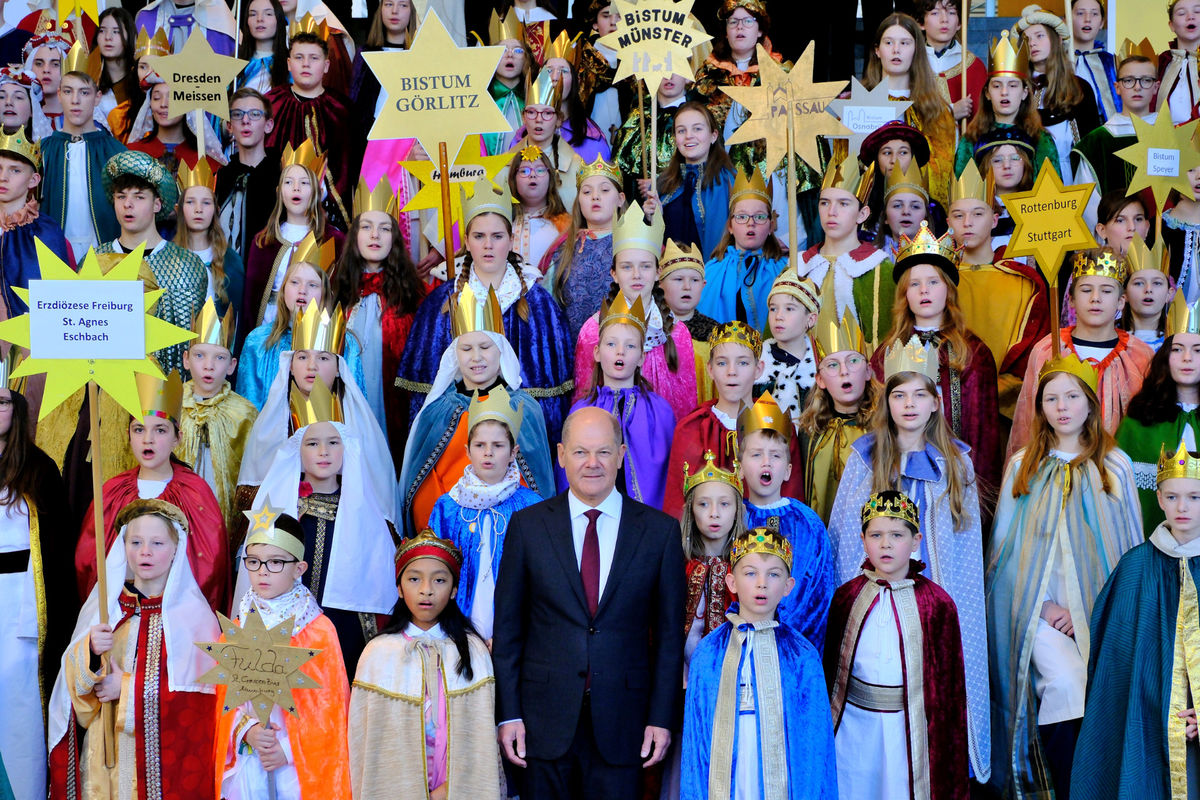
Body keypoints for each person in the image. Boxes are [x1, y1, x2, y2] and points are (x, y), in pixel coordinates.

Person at [493, 406, 686, 798]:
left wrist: (661, 718)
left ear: (621, 455)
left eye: (603, 451)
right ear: (562, 456)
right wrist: (508, 713)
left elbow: (669, 639)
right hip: (541, 723)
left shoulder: (659, 533)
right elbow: (508, 631)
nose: (592, 463)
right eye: (581, 452)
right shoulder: (527, 527)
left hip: (625, 724)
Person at [828, 335, 991, 783]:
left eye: (920, 394)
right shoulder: (865, 459)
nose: (909, 404)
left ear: (937, 402)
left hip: (930, 612)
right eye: (899, 394)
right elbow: (844, 540)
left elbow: (963, 557)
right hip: (876, 608)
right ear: (887, 401)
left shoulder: (956, 466)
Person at [987, 355, 1142, 797]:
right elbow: (1005, 556)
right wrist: (1047, 607)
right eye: (1051, 398)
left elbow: (1129, 550)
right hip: (1037, 611)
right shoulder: (1023, 466)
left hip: (1098, 612)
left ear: (1090, 404)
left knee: (1097, 689)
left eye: (1072, 396)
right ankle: (1061, 788)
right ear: (1040, 408)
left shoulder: (1116, 468)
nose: (1062, 406)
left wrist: (1091, 613)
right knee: (1067, 682)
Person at [47, 499, 220, 800]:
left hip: (165, 765)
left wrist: (125, 689)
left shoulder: (193, 618)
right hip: (106, 755)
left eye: (157, 543)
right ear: (123, 546)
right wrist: (89, 651)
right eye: (136, 542)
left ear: (176, 549)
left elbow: (197, 704)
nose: (145, 552)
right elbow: (71, 696)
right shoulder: (107, 610)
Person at [397, 176, 574, 444]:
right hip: (457, 443)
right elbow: (424, 403)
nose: (488, 245)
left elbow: (552, 407)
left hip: (519, 442)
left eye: (497, 236)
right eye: (479, 236)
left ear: (511, 239)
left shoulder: (540, 306)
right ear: (467, 241)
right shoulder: (440, 306)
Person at [239, 380, 397, 677]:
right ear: (298, 450)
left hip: (346, 625)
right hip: (286, 625)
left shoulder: (365, 511)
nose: (323, 451)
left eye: (333, 442)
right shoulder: (282, 508)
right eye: (312, 443)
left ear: (346, 448)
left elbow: (376, 579)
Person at [1070, 439, 1200, 795]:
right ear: (1158, 499)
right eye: (1172, 497)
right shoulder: (1135, 567)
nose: (1182, 507)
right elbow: (1115, 661)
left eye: (1194, 497)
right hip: (1145, 713)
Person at [825, 490, 969, 799]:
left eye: (897, 535)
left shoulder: (937, 604)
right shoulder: (846, 597)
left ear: (916, 541)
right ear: (863, 539)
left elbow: (950, 693)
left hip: (906, 732)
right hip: (854, 727)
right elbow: (830, 674)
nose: (886, 543)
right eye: (876, 534)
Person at [679, 526, 838, 800]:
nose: (761, 583)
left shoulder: (802, 655)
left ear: (788, 586)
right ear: (731, 583)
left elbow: (814, 744)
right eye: (750, 573)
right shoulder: (708, 652)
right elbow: (696, 740)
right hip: (727, 774)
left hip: (784, 777)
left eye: (773, 574)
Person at [349, 530, 502, 799]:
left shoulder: (474, 651)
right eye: (414, 579)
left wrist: (449, 789)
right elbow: (367, 744)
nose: (426, 590)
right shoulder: (377, 653)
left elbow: (479, 740)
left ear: (454, 589)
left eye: (439, 580)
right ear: (399, 587)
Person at [216, 508, 351, 800]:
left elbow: (330, 711)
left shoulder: (318, 631)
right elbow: (222, 703)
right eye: (253, 562)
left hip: (296, 770)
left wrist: (286, 750)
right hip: (250, 763)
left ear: (299, 568)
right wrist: (246, 729)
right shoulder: (237, 627)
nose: (263, 571)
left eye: (275, 562)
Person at [398, 285, 554, 536]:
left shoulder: (525, 410)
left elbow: (536, 485)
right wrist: (444, 526)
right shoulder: (437, 411)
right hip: (448, 530)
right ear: (455, 354)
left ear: (500, 350)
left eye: (485, 347)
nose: (476, 357)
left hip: (509, 531)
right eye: (466, 348)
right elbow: (424, 487)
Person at [75, 369, 230, 611]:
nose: (148, 439)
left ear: (177, 437)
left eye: (160, 430)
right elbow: (89, 561)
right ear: (128, 435)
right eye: (139, 429)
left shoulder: (196, 492)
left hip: (175, 617)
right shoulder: (112, 491)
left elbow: (211, 565)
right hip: (120, 612)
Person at [871, 220, 1002, 501]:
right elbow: (877, 423)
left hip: (955, 478)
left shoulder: (973, 353)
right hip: (900, 475)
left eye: (933, 282)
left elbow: (985, 437)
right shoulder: (887, 353)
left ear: (948, 290)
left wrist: (976, 496)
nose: (924, 291)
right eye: (914, 284)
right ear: (905, 294)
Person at [0, 355, 74, 800]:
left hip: (21, 613)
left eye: (1, 402)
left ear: (17, 408)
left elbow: (56, 555)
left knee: (19, 710)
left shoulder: (39, 470)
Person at [1009, 247, 1155, 455]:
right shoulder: (1048, 349)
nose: (1095, 298)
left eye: (1106, 291)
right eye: (1086, 290)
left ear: (1121, 302)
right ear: (1072, 300)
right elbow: (1027, 420)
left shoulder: (1141, 356)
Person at [428, 386, 542, 643]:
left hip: (515, 631)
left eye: (498, 445)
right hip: (457, 630)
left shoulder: (531, 506)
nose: (488, 452)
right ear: (468, 451)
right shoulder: (448, 507)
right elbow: (434, 568)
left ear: (513, 452)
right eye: (480, 445)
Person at [662, 322, 803, 518]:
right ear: (710, 369)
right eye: (722, 363)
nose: (732, 371)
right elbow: (677, 504)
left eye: (743, 363)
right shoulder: (691, 428)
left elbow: (791, 498)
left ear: (758, 369)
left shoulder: (777, 425)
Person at [572, 201, 697, 420]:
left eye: (645, 266)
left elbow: (686, 403)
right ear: (613, 274)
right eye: (627, 266)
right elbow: (584, 398)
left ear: (658, 272)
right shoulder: (593, 331)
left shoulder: (678, 333)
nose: (636, 275)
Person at [332, 174, 425, 463]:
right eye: (367, 227)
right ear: (355, 235)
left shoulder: (412, 295)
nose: (375, 235)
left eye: (384, 228)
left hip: (394, 410)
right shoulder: (336, 291)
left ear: (394, 239)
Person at [949, 159, 1050, 419]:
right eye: (959, 215)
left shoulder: (1022, 282)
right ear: (949, 220)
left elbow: (1032, 355)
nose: (967, 222)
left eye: (978, 214)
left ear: (995, 220)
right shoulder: (939, 281)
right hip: (951, 401)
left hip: (1005, 404)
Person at [98, 150, 208, 375]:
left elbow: (197, 342)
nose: (128, 204)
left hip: (168, 395)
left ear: (157, 204)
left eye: (139, 197)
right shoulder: (95, 262)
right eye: (121, 196)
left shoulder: (187, 267)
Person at [740, 392, 834, 649]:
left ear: (788, 470)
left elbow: (820, 593)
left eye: (776, 456)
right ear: (740, 466)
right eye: (756, 454)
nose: (766, 462)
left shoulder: (809, 524)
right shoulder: (731, 516)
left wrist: (792, 640)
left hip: (793, 647)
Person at [565, 293, 676, 506]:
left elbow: (670, 475)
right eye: (611, 344)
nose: (620, 352)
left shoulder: (660, 411)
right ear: (597, 352)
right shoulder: (582, 411)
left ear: (641, 357)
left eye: (630, 346)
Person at [238, 141, 344, 351]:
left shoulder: (334, 240)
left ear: (316, 191)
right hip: (271, 328)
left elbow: (340, 294)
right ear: (279, 191)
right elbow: (251, 299)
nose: (296, 187)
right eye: (289, 182)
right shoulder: (264, 241)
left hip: (314, 332)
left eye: (304, 183)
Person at [796, 154, 895, 352]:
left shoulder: (878, 268)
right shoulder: (798, 265)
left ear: (862, 214)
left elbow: (885, 343)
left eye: (843, 203)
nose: (831, 211)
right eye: (825, 202)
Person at [177, 299, 258, 536]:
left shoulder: (244, 413)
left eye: (219, 358)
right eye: (199, 355)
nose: (209, 366)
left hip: (220, 521)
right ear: (185, 359)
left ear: (232, 365)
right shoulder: (171, 405)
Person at [863, 13, 958, 208]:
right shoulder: (858, 102)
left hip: (919, 214)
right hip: (868, 212)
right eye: (888, 43)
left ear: (916, 50)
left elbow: (941, 172)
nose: (896, 50)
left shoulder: (937, 111)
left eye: (905, 43)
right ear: (877, 50)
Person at [800, 301, 879, 524]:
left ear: (868, 371)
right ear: (820, 380)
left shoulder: (883, 429)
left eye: (853, 361)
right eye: (832, 365)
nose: (844, 371)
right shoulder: (810, 432)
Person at [1117, 322, 1200, 532]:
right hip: (1151, 545)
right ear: (1164, 358)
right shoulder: (1139, 421)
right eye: (1177, 349)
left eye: (1197, 350)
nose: (1187, 358)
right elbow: (1116, 494)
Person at [265, 16, 353, 206]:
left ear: (326, 65)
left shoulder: (342, 110)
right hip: (275, 207)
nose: (306, 64)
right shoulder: (270, 103)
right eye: (299, 57)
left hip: (327, 211)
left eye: (314, 58)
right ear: (289, 64)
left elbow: (349, 168)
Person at [39, 66, 125, 258]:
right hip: (54, 255)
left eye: (84, 92)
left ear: (97, 97)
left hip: (105, 255)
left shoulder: (117, 153)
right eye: (68, 91)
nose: (75, 100)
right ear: (59, 94)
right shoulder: (41, 151)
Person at [955, 30, 1058, 179]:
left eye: (1013, 85)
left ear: (1024, 93)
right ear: (987, 93)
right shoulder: (971, 139)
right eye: (997, 86)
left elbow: (1050, 195)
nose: (1004, 92)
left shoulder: (1040, 139)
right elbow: (963, 193)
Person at [1015, 4, 1102, 180]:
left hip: (1071, 177)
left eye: (1039, 36)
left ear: (1057, 40)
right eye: (1027, 39)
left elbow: (1092, 146)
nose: (1032, 43)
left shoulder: (1079, 89)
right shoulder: (1017, 88)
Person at [696, 167, 787, 331]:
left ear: (771, 225)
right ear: (730, 225)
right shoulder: (710, 272)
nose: (750, 223)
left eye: (759, 217)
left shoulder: (785, 271)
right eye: (741, 216)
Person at [543, 155, 624, 338]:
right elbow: (549, 306)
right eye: (586, 192)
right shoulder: (563, 249)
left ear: (620, 199)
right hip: (573, 349)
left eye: (604, 190)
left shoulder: (633, 246)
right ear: (579, 200)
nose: (595, 196)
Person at [0, 124, 70, 321]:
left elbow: (60, 298)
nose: (3, 177)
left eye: (15, 171)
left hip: (29, 341)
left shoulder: (45, 231)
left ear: (33, 180)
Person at [650, 101, 736, 260]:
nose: (689, 135)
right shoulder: (664, 183)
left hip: (710, 276)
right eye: (681, 130)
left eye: (697, 128)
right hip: (670, 276)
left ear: (713, 135)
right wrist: (651, 218)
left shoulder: (729, 181)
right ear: (675, 138)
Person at [216, 88, 281, 263]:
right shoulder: (220, 177)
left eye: (254, 114)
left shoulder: (281, 177)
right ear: (229, 126)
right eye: (237, 115)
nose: (245, 121)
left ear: (269, 125)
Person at [175, 157, 245, 317]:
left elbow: (237, 316)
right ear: (179, 209)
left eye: (206, 203)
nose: (198, 209)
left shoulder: (231, 261)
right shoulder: (168, 258)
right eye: (191, 202)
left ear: (216, 210)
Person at [753, 269, 820, 431]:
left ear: (810, 319)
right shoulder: (754, 366)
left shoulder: (822, 370)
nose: (778, 316)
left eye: (789, 309)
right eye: (773, 309)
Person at [659, 238, 719, 404]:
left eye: (694, 280)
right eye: (678, 279)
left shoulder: (715, 332)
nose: (687, 286)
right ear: (660, 284)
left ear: (703, 285)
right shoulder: (652, 330)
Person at [510, 144, 570, 278]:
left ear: (550, 178)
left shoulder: (565, 226)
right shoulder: (504, 223)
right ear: (513, 178)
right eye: (524, 171)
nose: (532, 175)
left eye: (540, 170)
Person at [920, 0, 984, 121]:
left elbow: (981, 121)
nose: (944, 19)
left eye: (951, 12)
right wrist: (950, 112)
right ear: (920, 22)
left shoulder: (973, 66)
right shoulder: (911, 62)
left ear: (959, 23)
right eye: (935, 13)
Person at [479, 9, 527, 157]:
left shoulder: (534, 100)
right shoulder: (479, 101)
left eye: (518, 50)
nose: (510, 54)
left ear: (526, 58)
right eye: (502, 50)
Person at [92, 8, 140, 142]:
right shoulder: (89, 81)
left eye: (116, 31)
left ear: (129, 35)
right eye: (102, 31)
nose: (108, 37)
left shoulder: (140, 82)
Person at [1071, 0, 1119, 121]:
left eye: (1094, 14)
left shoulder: (1112, 62)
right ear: (1068, 19)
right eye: (1080, 13)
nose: (1087, 19)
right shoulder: (1056, 61)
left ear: (1102, 23)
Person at [1160, 0, 1200, 125]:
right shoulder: (1160, 63)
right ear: (1171, 25)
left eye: (1197, 11)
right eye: (1182, 13)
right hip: (1165, 141)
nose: (1190, 16)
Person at [237, 0, 290, 94]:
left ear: (279, 19)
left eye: (268, 14)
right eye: (253, 14)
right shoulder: (234, 61)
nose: (260, 19)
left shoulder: (291, 65)